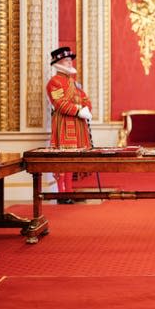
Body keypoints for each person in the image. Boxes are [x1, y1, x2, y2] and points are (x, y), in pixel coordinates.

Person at [46, 46, 92, 204]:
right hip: (64, 123)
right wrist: (78, 111)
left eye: (69, 60)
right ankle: (61, 194)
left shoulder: (74, 82)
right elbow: (59, 103)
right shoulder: (54, 82)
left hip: (78, 125)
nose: (69, 63)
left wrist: (87, 108)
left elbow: (85, 98)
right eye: (66, 61)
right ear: (58, 63)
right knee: (63, 159)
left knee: (73, 159)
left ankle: (70, 191)